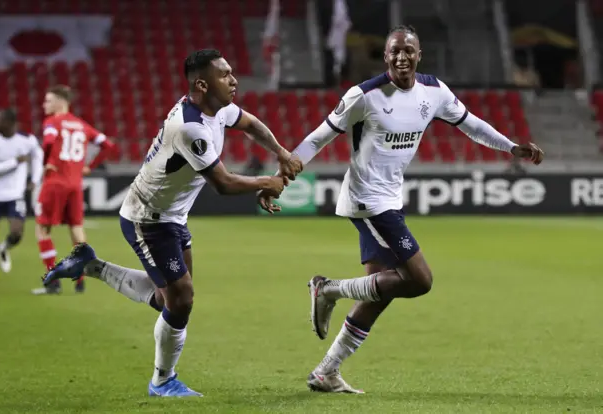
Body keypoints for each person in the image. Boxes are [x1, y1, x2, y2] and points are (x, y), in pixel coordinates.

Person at [258, 25, 545, 394]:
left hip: (389, 199)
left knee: (381, 292)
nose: (401, 56)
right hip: (368, 201)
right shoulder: (364, 96)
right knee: (421, 280)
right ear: (386, 56)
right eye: (394, 51)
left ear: (419, 54)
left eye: (408, 50)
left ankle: (326, 371)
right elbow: (319, 137)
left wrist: (511, 148)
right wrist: (279, 180)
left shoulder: (434, 92)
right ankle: (328, 289)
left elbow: (471, 124)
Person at [39, 49, 303, 397]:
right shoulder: (189, 126)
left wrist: (281, 152)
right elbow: (222, 183)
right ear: (201, 84)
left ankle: (93, 266)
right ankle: (162, 381)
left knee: (172, 300)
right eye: (225, 75)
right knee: (181, 299)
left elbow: (250, 124)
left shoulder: (218, 108)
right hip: (148, 218)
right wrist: (265, 183)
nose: (234, 80)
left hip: (172, 215)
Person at [31, 85, 115, 295]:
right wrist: (90, 166)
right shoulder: (81, 125)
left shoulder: (52, 122)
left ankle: (53, 282)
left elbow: (49, 140)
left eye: (48, 100)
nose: (44, 105)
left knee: (42, 229)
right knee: (77, 229)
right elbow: (107, 144)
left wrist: (45, 162)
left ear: (61, 102)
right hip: (75, 184)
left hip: (55, 181)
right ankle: (79, 280)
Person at [0, 109, 43, 284]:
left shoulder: (26, 140)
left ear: (10, 123)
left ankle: (4, 249)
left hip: (15, 194)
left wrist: (35, 179)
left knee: (16, 233)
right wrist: (15, 162)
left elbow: (38, 156)